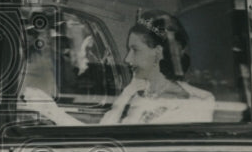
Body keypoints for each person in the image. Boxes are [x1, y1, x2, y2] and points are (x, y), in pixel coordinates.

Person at [24, 11, 214, 126]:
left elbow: (107, 147)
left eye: (135, 50)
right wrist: (50, 110)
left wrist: (52, 112)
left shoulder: (189, 105)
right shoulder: (135, 88)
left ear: (157, 53)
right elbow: (103, 134)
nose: (126, 58)